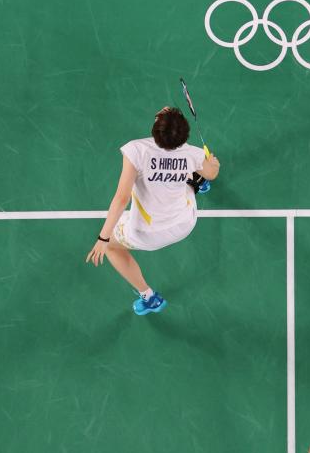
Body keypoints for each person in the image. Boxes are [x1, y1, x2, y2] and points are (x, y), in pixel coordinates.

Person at [85, 105, 220, 315]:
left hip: (146, 234)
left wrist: (103, 239)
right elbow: (212, 172)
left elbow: (121, 199)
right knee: (192, 175)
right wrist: (212, 163)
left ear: (155, 129)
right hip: (184, 222)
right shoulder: (192, 153)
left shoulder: (136, 151)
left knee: (112, 247)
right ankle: (197, 182)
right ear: (184, 134)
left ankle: (149, 297)